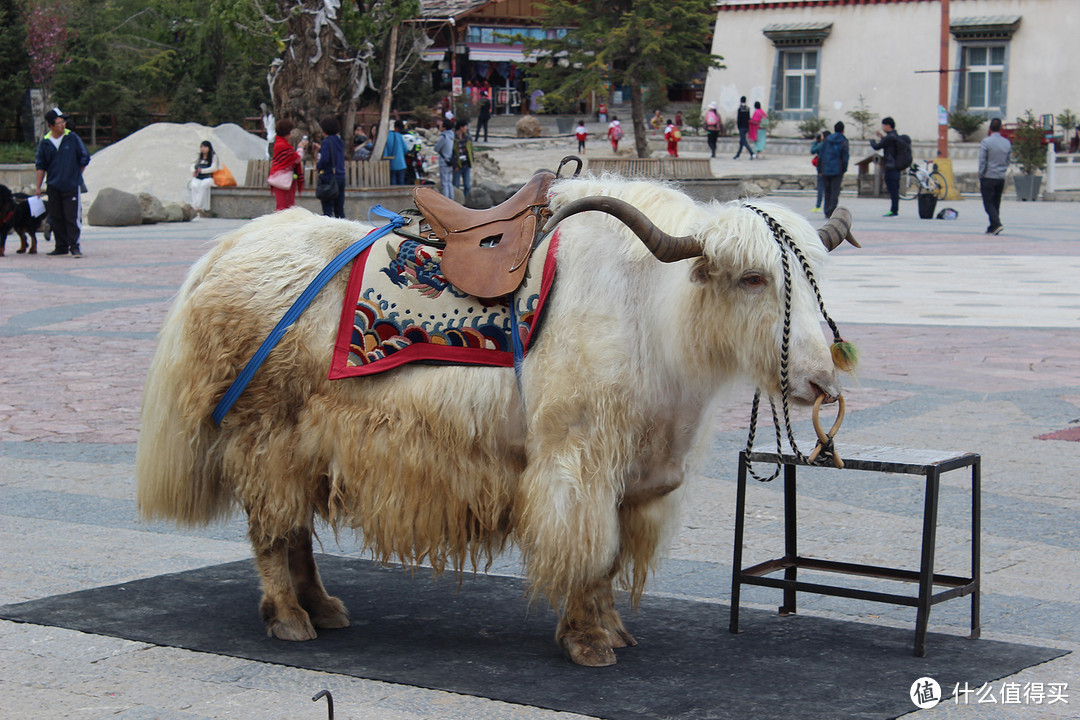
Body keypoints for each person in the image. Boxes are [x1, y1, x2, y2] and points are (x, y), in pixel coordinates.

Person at [34, 107, 90, 257]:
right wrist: (38, 187)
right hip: (53, 185)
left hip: (71, 185)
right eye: (59, 122)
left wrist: (76, 174)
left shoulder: (72, 138)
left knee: (71, 217)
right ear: (51, 125)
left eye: (63, 121)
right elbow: (40, 165)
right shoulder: (45, 143)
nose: (63, 124)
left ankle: (74, 246)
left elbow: (85, 158)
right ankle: (61, 246)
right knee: (57, 216)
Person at [978, 117, 1012, 235]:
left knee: (988, 202)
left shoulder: (986, 142)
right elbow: (1008, 160)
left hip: (988, 176)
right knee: (996, 202)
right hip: (1000, 177)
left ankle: (997, 223)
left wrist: (981, 174)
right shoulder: (1007, 142)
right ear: (1001, 128)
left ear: (990, 128)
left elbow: (983, 160)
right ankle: (992, 225)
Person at [268, 119, 307, 211]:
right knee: (283, 206)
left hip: (286, 179)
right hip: (282, 180)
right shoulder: (282, 145)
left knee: (289, 206)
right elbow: (297, 158)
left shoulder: (280, 143)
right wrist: (300, 148)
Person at [870, 117, 902, 217]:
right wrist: (882, 137)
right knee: (894, 188)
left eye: (883, 125)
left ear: (888, 126)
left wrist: (871, 140)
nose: (882, 127)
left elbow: (877, 146)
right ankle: (894, 209)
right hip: (895, 166)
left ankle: (894, 210)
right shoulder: (894, 136)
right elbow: (887, 144)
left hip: (890, 166)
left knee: (893, 189)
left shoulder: (889, 137)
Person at [315, 116, 346, 218]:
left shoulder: (326, 141)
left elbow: (324, 160)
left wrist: (318, 166)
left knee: (327, 209)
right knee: (339, 207)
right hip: (341, 176)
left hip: (329, 177)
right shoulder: (340, 141)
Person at [819, 121, 849, 218]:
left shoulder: (827, 140)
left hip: (826, 168)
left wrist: (820, 169)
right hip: (837, 170)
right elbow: (845, 157)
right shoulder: (844, 141)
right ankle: (832, 211)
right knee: (835, 192)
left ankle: (826, 210)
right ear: (843, 130)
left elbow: (821, 155)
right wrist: (844, 169)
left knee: (827, 191)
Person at [187, 141, 220, 216]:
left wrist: (202, 171)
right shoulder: (199, 156)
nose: (203, 149)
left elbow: (214, 168)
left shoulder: (213, 156)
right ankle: (194, 205)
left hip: (208, 177)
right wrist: (193, 171)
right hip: (198, 177)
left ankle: (197, 206)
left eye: (205, 147)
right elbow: (192, 165)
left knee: (203, 186)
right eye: (202, 147)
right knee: (194, 185)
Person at [433, 117, 456, 199]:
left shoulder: (444, 136)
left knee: (444, 183)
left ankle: (446, 200)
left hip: (444, 161)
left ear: (444, 127)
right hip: (450, 160)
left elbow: (437, 148)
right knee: (449, 182)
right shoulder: (452, 136)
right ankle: (451, 199)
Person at [452, 119, 474, 198]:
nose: (466, 128)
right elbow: (452, 153)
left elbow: (470, 149)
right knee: (456, 185)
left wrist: (472, 159)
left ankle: (466, 201)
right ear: (461, 127)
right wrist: (455, 165)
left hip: (466, 164)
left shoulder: (467, 137)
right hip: (458, 165)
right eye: (465, 126)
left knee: (467, 185)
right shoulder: (453, 138)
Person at [383, 119, 408, 185]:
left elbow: (385, 153)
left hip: (390, 164)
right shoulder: (399, 136)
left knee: (393, 182)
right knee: (401, 182)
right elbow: (406, 149)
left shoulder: (385, 137)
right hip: (401, 163)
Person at [810, 130, 830, 212]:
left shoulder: (822, 144)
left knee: (821, 188)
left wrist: (815, 142)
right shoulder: (830, 144)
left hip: (822, 169)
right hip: (830, 169)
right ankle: (828, 206)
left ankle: (818, 205)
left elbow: (813, 150)